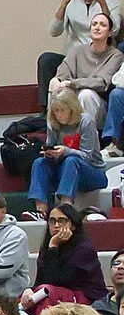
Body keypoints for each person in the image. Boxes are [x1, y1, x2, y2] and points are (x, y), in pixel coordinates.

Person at [40, 0, 122, 100]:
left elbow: (113, 31)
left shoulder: (110, 2)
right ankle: (47, 110)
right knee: (46, 59)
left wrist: (102, 3)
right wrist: (64, 3)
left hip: (99, 60)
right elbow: (54, 31)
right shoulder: (71, 3)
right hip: (74, 57)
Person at [29, 89, 105, 218]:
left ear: (72, 109)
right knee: (39, 163)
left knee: (71, 160)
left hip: (92, 171)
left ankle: (65, 208)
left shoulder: (85, 122)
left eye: (62, 110)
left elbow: (87, 156)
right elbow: (52, 146)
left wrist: (65, 151)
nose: (59, 115)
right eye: (56, 111)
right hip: (64, 169)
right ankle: (40, 210)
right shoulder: (53, 124)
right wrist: (50, 153)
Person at [28, 202, 107, 315]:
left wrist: (53, 246)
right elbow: (41, 280)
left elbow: (59, 280)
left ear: (73, 225)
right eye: (52, 221)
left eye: (62, 220)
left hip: (87, 300)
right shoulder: (48, 247)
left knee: (48, 292)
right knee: (24, 297)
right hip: (57, 295)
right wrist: (30, 290)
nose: (56, 225)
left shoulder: (84, 249)